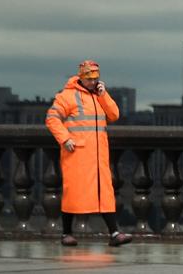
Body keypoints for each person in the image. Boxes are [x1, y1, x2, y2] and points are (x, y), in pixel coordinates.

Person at [44, 59, 133, 247]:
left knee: (105, 193)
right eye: (89, 78)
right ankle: (66, 233)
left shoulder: (99, 95)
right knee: (73, 193)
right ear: (81, 77)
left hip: (98, 155)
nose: (93, 82)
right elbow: (52, 118)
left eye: (95, 78)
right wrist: (65, 138)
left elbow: (114, 115)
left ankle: (114, 233)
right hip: (77, 154)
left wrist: (104, 95)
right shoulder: (67, 96)